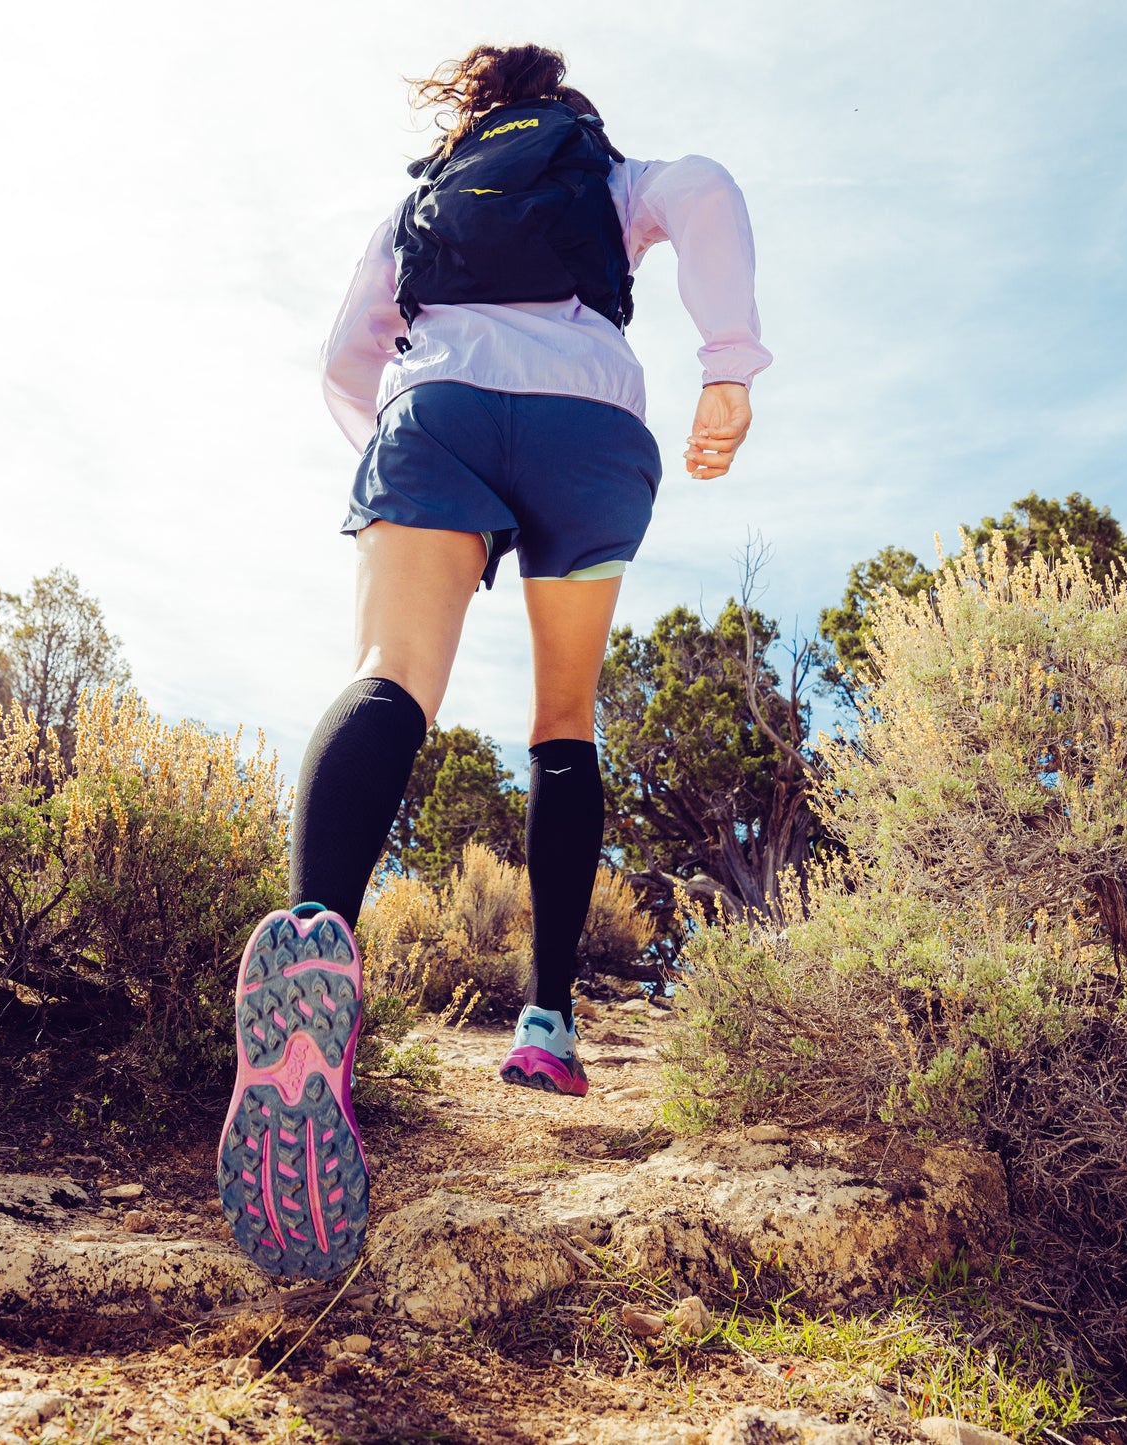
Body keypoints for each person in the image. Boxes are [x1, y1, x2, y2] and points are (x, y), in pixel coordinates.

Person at [217, 43, 771, 1283]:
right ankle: (548, 1021)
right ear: (568, 117)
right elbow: (709, 192)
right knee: (562, 719)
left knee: (389, 672)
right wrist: (726, 362)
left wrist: (405, 467)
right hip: (592, 426)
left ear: (476, 116)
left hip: (440, 409)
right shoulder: (610, 175)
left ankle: (316, 954)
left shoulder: (420, 198)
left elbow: (341, 362)